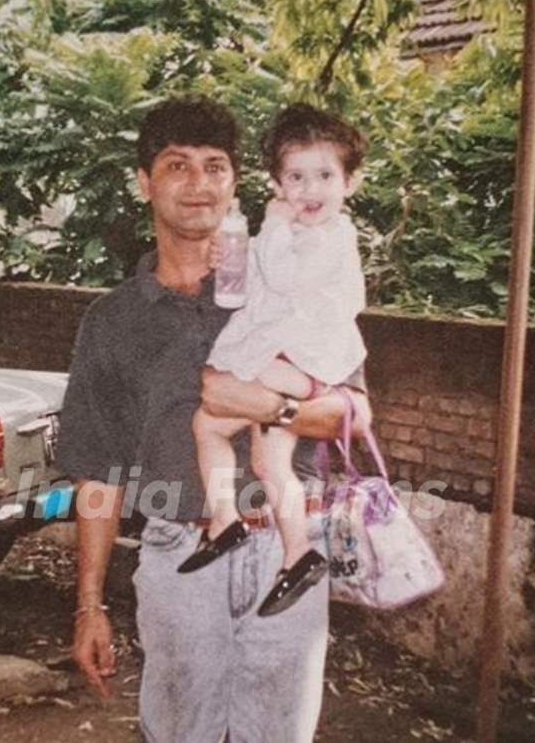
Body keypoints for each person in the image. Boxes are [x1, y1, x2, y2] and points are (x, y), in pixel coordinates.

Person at [57, 95, 372, 743]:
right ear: (144, 182)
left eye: (214, 165)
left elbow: (354, 412)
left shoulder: (290, 278)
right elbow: (98, 472)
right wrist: (89, 605)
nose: (199, 184)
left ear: (236, 181)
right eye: (177, 166)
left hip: (290, 550)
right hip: (179, 554)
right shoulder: (113, 322)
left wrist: (264, 406)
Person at [179, 104, 368, 619]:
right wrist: (231, 259)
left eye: (325, 176)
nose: (310, 190)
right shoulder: (282, 234)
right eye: (296, 177)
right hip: (282, 356)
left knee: (216, 397)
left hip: (306, 362)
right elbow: (252, 295)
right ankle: (285, 547)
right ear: (277, 181)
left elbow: (287, 281)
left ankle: (234, 526)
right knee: (243, 448)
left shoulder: (335, 237)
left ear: (350, 182)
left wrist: (273, 226)